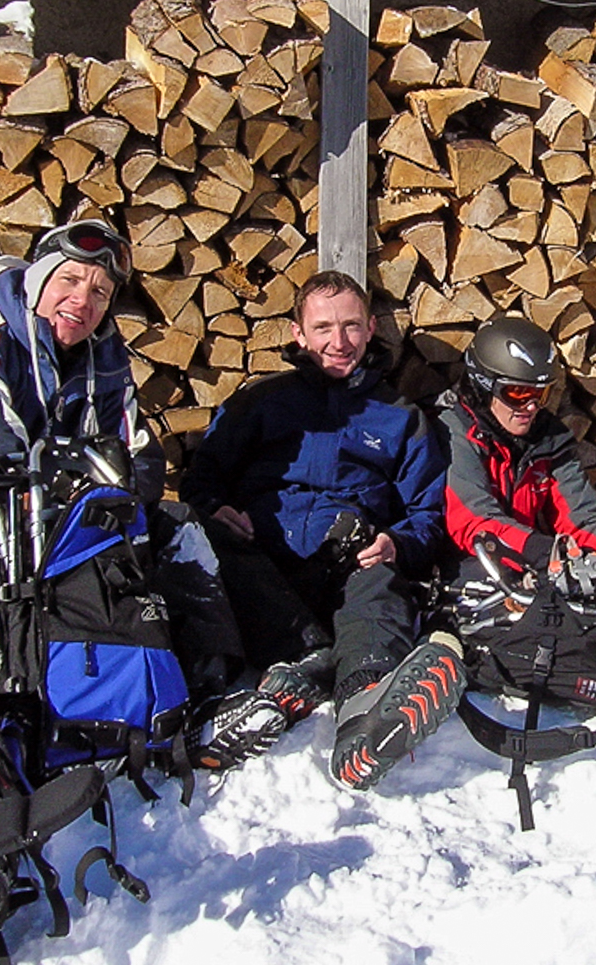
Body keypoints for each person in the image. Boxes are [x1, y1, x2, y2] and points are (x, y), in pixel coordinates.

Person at [0, 220, 247, 742]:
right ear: (38, 280)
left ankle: (212, 688)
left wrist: (99, 490)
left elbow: (140, 458)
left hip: (63, 523)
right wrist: (89, 478)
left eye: (100, 292)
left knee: (178, 524)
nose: (83, 300)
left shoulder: (106, 357)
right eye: (70, 281)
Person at [181, 270, 456, 790]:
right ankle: (297, 667)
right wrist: (215, 508)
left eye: (351, 326)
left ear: (371, 328)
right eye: (323, 327)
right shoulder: (261, 402)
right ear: (298, 333)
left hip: (349, 565)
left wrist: (396, 543)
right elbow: (201, 479)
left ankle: (364, 709)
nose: (339, 341)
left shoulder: (399, 417)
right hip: (264, 563)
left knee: (381, 583)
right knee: (205, 546)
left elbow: (429, 513)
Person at [438, 314, 596, 574]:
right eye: (518, 394)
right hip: (462, 566)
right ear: (484, 386)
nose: (532, 407)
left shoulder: (548, 439)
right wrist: (547, 553)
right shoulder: (454, 432)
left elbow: (581, 517)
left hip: (530, 563)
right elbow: (474, 520)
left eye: (541, 394)